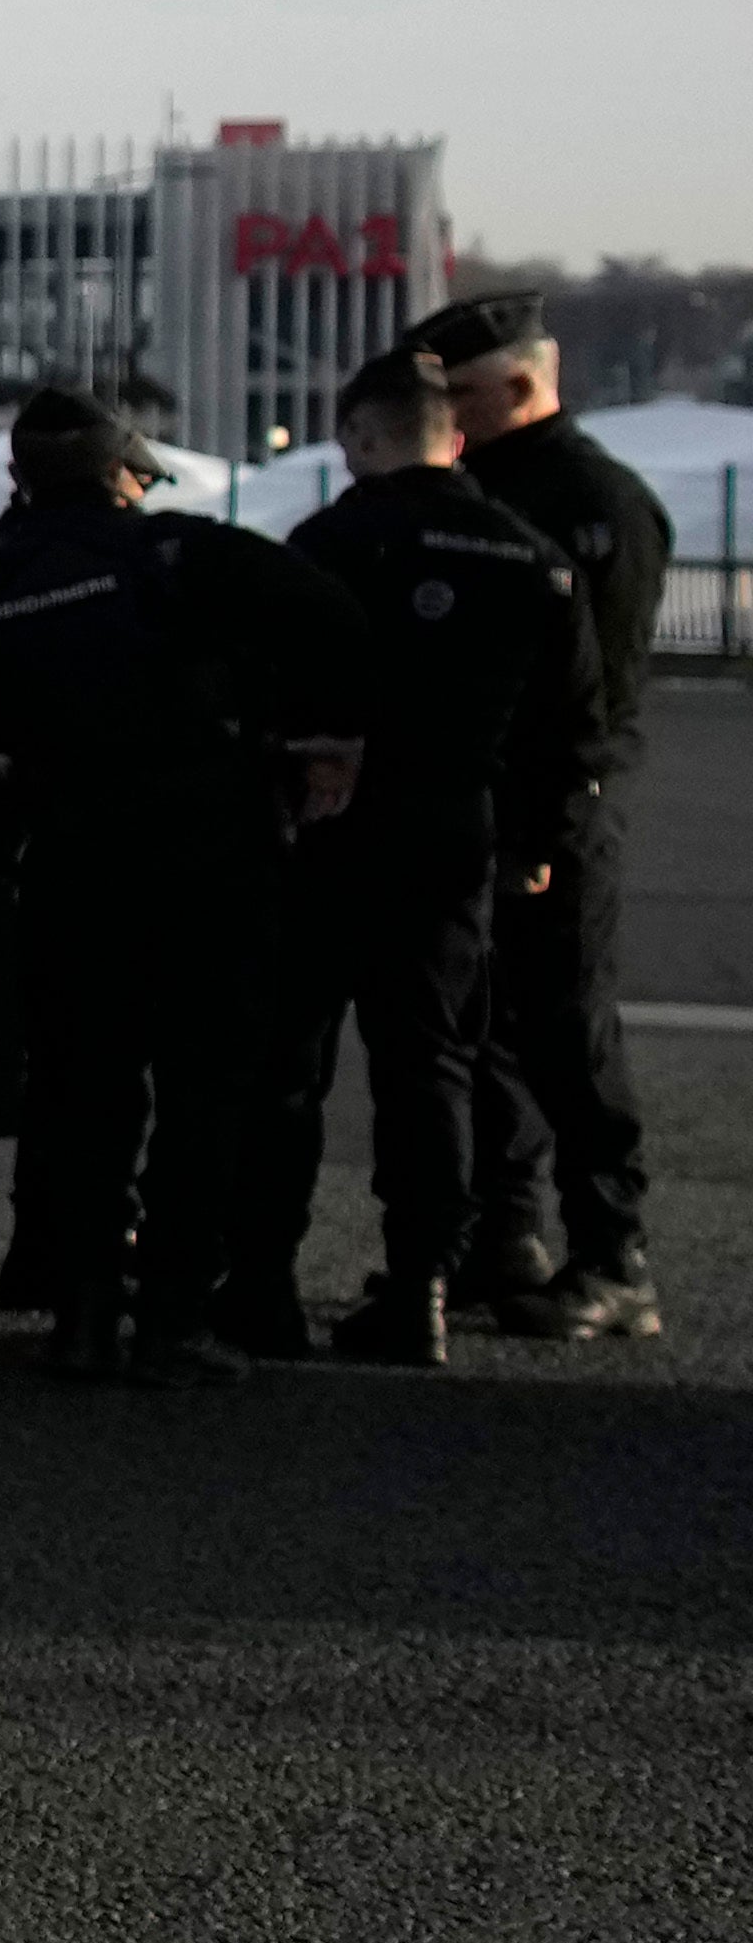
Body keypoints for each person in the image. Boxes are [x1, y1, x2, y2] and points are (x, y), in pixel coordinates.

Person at [0, 388, 368, 1379]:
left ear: (21, 480)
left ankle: (82, 1308)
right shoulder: (185, 554)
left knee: (83, 1088)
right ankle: (172, 1315)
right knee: (204, 1093)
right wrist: (323, 742)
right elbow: (334, 621)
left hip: (65, 860)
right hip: (209, 859)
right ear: (123, 475)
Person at [283, 343, 600, 1366]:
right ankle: (421, 1287)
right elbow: (573, 727)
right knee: (433, 1068)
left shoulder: (324, 545)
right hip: (455, 835)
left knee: (290, 1062)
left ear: (362, 437)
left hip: (328, 832)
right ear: (453, 436)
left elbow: (264, 692)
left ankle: (259, 1283)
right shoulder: (531, 556)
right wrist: (538, 843)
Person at [419, 285, 670, 1340]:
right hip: (477, 803)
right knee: (491, 1034)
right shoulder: (477, 487)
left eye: (463, 395)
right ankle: (506, 1236)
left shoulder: (594, 502)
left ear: (522, 384)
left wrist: (554, 831)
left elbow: (598, 698)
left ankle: (616, 1259)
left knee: (567, 1031)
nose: (448, 416)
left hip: (554, 805)